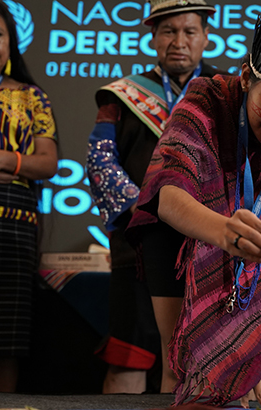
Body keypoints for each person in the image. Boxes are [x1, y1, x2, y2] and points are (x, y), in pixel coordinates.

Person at [126, 5, 261, 406]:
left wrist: (246, 350)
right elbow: (168, 194)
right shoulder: (206, 99)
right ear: (247, 78)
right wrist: (223, 231)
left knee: (236, 370)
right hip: (179, 235)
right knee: (180, 365)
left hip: (245, 257)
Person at [85, 0, 224, 394]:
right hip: (138, 245)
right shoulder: (121, 96)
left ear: (206, 37)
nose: (178, 41)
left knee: (193, 364)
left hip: (206, 246)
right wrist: (151, 210)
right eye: (168, 31)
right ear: (153, 38)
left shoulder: (227, 92)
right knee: (129, 358)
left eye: (189, 32)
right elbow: (100, 161)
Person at [0, 0, 58, 393]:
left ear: (11, 42)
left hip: (10, 232)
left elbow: (47, 164)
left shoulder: (32, 98)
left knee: (1, 341)